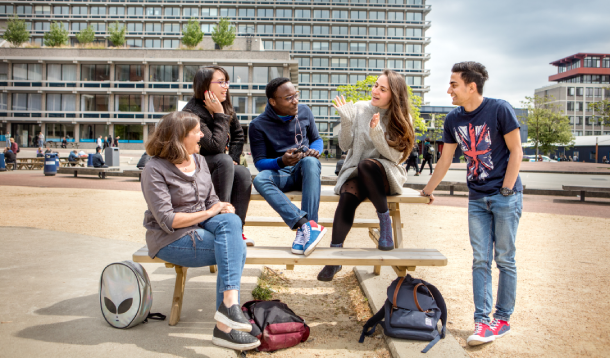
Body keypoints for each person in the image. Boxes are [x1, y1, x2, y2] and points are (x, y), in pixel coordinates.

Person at [420, 62, 523, 346]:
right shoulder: (453, 119)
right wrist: (427, 189)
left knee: (504, 258)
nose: (449, 90)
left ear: (471, 86)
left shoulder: (499, 109)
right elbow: (445, 159)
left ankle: (502, 319)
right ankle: (482, 321)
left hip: (505, 195)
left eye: (454, 84)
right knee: (480, 259)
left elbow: (516, 151)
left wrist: (506, 189)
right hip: (477, 198)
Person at [141, 111, 260, 351]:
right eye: (197, 131)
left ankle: (228, 309)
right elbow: (167, 219)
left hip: (202, 226)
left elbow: (211, 201)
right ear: (179, 137)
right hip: (170, 238)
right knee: (233, 249)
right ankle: (225, 326)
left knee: (233, 224)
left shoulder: (200, 161)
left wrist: (222, 209)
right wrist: (210, 212)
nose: (202, 135)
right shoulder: (154, 169)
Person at [318, 70, 415, 281]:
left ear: (394, 94)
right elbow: (345, 145)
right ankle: (335, 258)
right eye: (375, 86)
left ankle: (385, 224)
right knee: (347, 195)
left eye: (382, 89)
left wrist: (377, 135)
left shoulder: (402, 118)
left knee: (367, 165)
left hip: (386, 174)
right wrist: (345, 120)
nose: (375, 91)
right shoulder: (361, 108)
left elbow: (395, 157)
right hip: (356, 171)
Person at [249, 77, 325, 256]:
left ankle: (309, 229)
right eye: (289, 98)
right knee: (260, 179)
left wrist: (315, 150)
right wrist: (281, 161)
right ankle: (306, 226)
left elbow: (317, 139)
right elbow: (260, 163)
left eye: (296, 95)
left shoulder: (305, 112)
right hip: (282, 174)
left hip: (307, 172)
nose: (295, 100)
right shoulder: (257, 125)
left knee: (310, 161)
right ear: (273, 102)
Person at [183, 66, 253, 246]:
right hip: (195, 164)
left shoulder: (225, 106)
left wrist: (235, 158)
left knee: (243, 173)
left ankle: (237, 230)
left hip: (219, 163)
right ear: (205, 85)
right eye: (221, 82)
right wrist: (220, 115)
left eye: (226, 82)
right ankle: (222, 223)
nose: (226, 86)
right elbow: (214, 146)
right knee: (223, 159)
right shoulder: (192, 112)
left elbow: (238, 135)